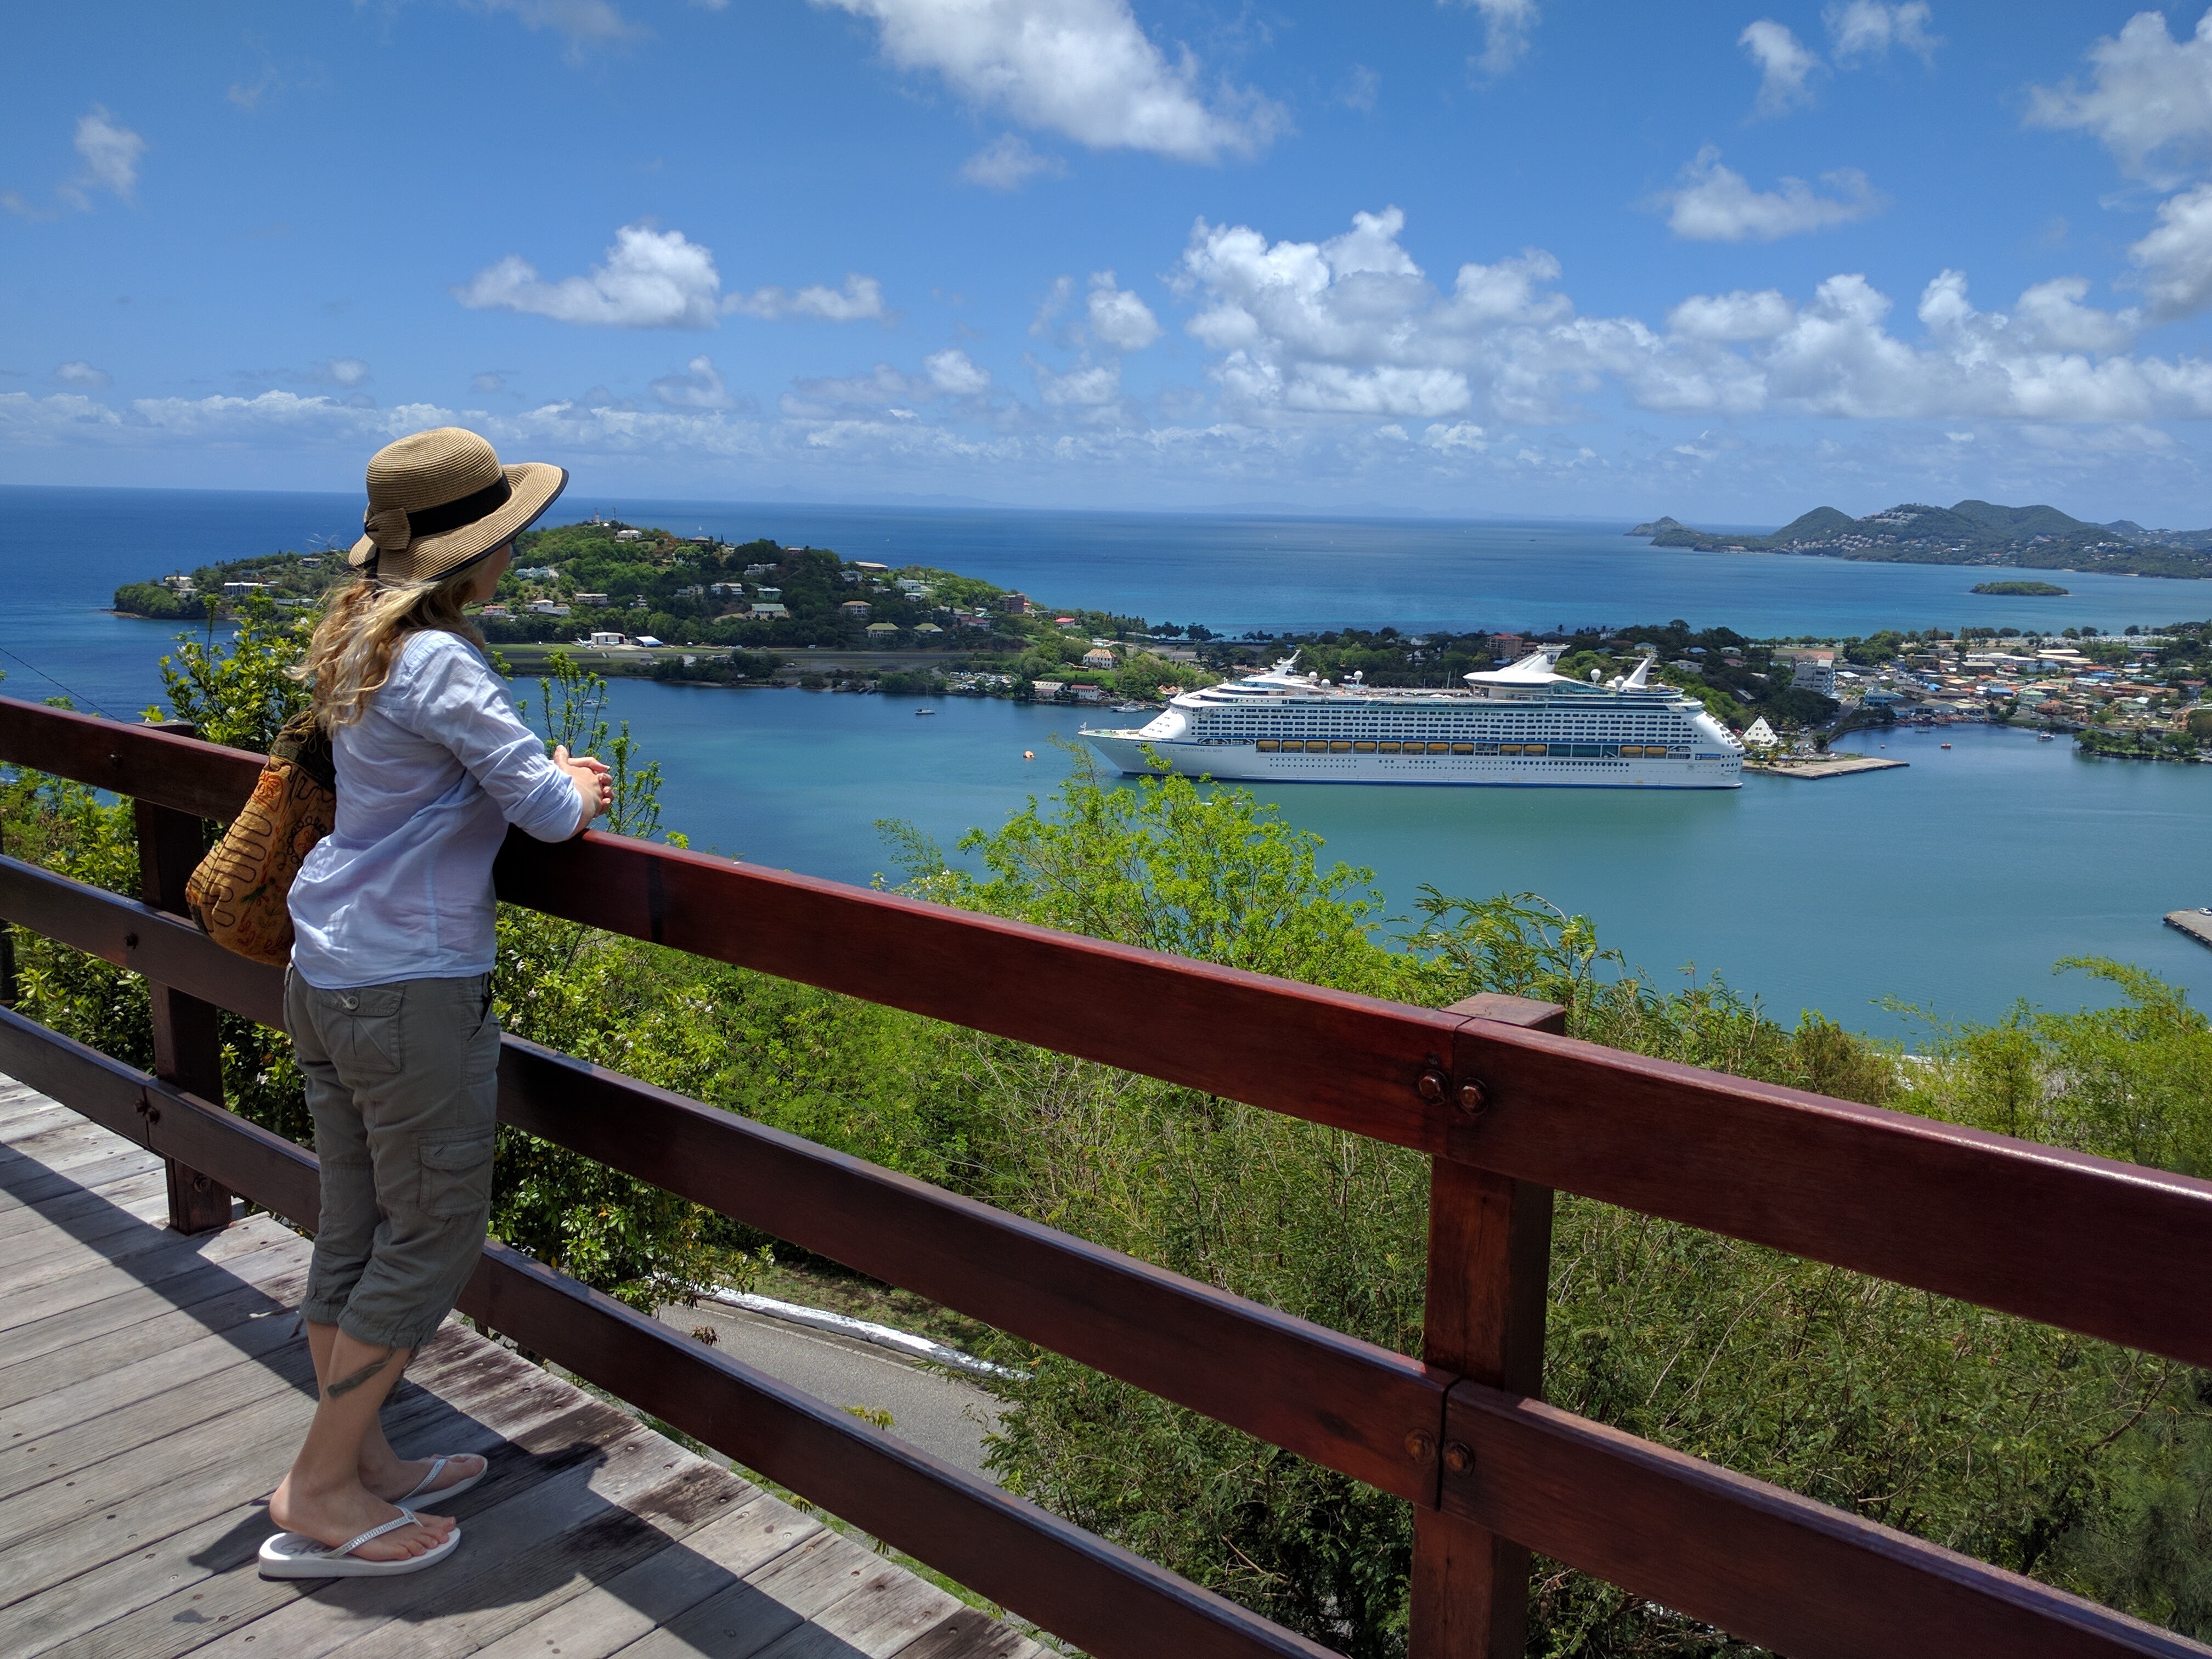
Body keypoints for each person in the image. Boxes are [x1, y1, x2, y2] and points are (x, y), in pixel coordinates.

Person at [258, 428, 612, 1579]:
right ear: (477, 552)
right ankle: (320, 1485)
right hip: (409, 984)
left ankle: (360, 1461)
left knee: (358, 1223)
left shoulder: (361, 643)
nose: (517, 553)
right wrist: (580, 782)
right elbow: (551, 818)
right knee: (436, 1231)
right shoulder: (444, 662)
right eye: (509, 537)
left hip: (328, 970)